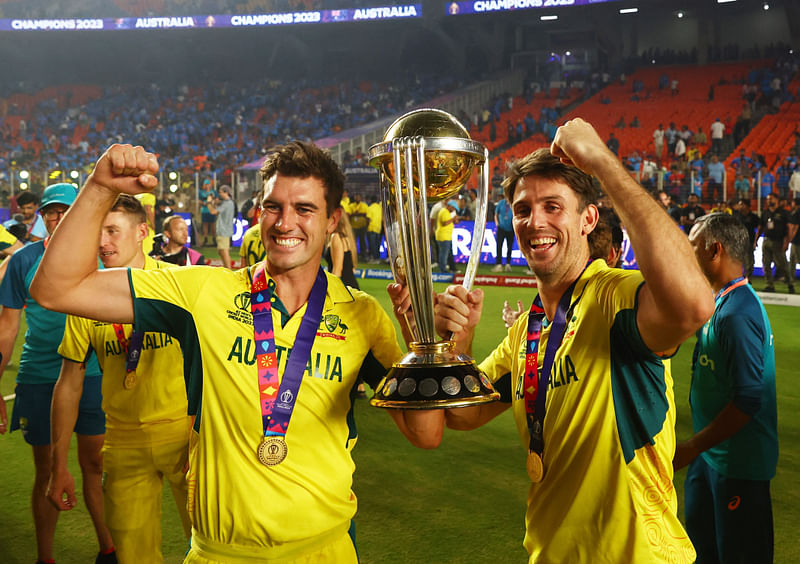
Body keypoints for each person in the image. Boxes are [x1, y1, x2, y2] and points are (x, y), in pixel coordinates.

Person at [30, 141, 440, 562]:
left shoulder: (363, 316)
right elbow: (55, 288)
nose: (285, 223)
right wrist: (99, 187)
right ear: (258, 212)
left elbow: (425, 434)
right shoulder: (203, 292)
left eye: (304, 209)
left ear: (333, 220)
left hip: (324, 549)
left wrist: (423, 338)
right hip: (220, 553)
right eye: (272, 207)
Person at [401, 118, 714, 562]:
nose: (535, 222)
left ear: (588, 218)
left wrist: (601, 161)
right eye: (524, 209)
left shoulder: (613, 297)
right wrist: (459, 343)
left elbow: (695, 306)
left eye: (553, 206)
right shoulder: (526, 331)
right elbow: (460, 417)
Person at [49, 195, 192, 563]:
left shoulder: (181, 285)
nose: (102, 241)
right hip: (123, 439)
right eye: (98, 231)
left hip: (186, 436)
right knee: (132, 556)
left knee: (213, 545)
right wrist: (58, 465)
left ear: (142, 232)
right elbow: (69, 383)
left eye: (112, 230)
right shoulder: (86, 295)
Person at [0, 183, 115, 564]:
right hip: (40, 376)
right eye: (50, 211)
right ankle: (45, 558)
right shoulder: (22, 261)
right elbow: (7, 328)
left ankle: (108, 548)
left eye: (65, 210)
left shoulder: (101, 257)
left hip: (95, 372)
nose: (56, 217)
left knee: (95, 463)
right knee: (47, 468)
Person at [676, 213, 778, 564]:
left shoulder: (737, 312)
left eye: (692, 246)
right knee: (704, 553)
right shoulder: (722, 301)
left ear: (714, 250)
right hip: (712, 455)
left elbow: (748, 399)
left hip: (737, 465)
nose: (686, 252)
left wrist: (691, 447)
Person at [755, 193, 794, 293]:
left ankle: (790, 284)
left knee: (782, 264)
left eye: (771, 199)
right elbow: (760, 228)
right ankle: (769, 285)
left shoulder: (783, 213)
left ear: (776, 200)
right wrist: (756, 241)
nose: (769, 201)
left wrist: (787, 242)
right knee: (766, 264)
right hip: (766, 241)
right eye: (768, 199)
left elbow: (789, 228)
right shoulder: (765, 213)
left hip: (778, 242)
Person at [325, 212, 359, 290]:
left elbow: (337, 270)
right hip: (350, 286)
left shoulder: (336, 237)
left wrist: (330, 291)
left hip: (343, 287)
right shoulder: (347, 238)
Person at [208, 184, 235, 269]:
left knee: (224, 251)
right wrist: (215, 203)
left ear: (226, 192)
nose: (219, 194)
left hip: (224, 231)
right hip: (224, 230)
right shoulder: (228, 203)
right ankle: (227, 268)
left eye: (220, 192)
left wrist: (209, 202)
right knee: (221, 251)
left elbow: (213, 212)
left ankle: (228, 271)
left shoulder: (227, 203)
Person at [492, 193, 514, 272]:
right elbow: (496, 213)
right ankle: (499, 264)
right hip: (501, 228)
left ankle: (508, 264)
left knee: (510, 246)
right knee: (499, 246)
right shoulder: (501, 203)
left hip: (511, 229)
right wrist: (497, 223)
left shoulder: (514, 203)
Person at [435, 199, 457, 273]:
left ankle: (450, 268)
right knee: (443, 254)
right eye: (453, 208)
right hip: (443, 236)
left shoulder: (446, 212)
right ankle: (442, 270)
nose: (454, 209)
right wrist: (453, 219)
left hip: (446, 236)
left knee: (446, 253)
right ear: (450, 206)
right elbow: (444, 223)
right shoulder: (444, 211)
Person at [198, 179, 217, 246]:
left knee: (213, 224)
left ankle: (214, 238)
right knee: (205, 225)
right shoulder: (201, 192)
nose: (207, 186)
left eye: (208, 184)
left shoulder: (213, 192)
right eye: (205, 184)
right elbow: (199, 200)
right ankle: (205, 238)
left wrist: (212, 202)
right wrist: (203, 203)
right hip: (204, 210)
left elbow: (216, 200)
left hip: (211, 210)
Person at [365, 196, 382, 263]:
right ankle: (377, 258)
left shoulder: (370, 207)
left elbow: (368, 218)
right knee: (377, 244)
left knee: (372, 245)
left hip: (371, 228)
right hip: (378, 228)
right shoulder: (379, 207)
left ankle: (374, 258)